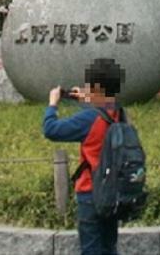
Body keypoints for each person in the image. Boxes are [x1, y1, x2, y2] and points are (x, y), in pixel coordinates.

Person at [42, 58, 128, 255]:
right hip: (113, 192)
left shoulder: (88, 119)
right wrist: (85, 98)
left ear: (96, 87)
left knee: (90, 249)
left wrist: (52, 104)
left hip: (90, 192)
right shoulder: (120, 112)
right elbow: (102, 111)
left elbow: (51, 130)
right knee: (109, 247)